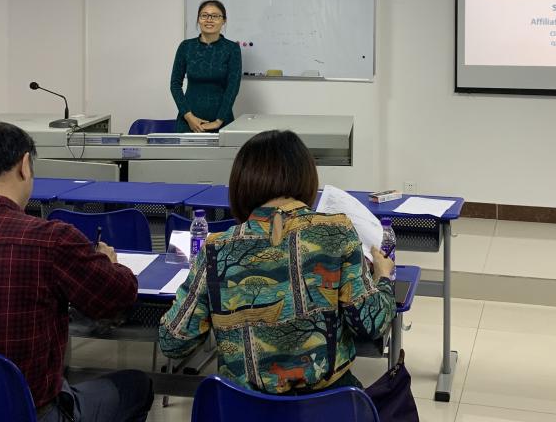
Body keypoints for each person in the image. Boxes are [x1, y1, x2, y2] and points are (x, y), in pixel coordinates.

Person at [0, 122, 153, 422]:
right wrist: (109, 264)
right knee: (137, 386)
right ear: (24, 166)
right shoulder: (51, 239)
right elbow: (118, 298)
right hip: (28, 413)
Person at [159, 130, 396, 393]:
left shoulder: (215, 249)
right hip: (326, 405)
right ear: (306, 177)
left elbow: (173, 342)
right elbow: (371, 323)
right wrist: (383, 277)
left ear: (241, 184)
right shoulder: (337, 231)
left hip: (242, 407)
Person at [170, 0, 242, 133]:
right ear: (198, 19)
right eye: (204, 15)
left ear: (224, 21)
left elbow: (233, 87)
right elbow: (175, 84)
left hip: (222, 121)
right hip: (188, 121)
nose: (209, 20)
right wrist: (189, 117)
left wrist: (218, 121)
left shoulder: (232, 48)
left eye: (215, 16)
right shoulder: (186, 47)